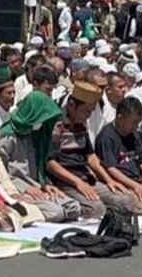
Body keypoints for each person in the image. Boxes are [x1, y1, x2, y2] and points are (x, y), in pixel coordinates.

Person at [47, 82, 135, 219]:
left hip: (86, 177)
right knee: (96, 208)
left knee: (126, 200)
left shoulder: (82, 125)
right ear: (72, 106)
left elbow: (91, 157)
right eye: (86, 111)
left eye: (91, 111)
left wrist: (109, 180)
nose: (89, 115)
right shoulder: (57, 125)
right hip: (66, 181)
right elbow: (51, 164)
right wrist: (78, 183)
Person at [0, 90, 81, 222]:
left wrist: (46, 184)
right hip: (18, 189)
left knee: (73, 207)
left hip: (37, 187)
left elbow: (40, 166)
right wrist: (24, 187)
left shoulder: (37, 134)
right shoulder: (8, 136)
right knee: (55, 212)